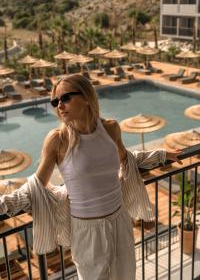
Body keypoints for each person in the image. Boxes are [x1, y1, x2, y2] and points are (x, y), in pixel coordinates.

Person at [0, 74, 182, 280]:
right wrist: (4, 204)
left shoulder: (111, 128)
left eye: (66, 98)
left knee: (126, 276)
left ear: (86, 97)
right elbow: (35, 186)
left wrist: (161, 155)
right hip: (86, 230)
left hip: (120, 221)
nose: (60, 105)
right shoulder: (58, 140)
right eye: (55, 101)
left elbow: (127, 159)